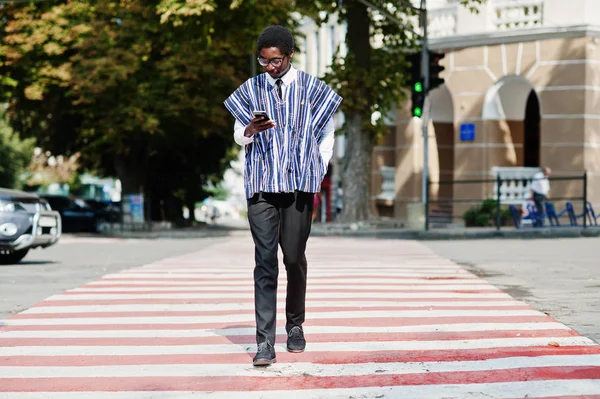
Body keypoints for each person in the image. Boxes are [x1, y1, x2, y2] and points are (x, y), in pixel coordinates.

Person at [223, 25, 342, 367]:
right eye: (264, 61)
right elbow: (237, 135)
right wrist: (249, 130)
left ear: (289, 55)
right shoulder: (251, 89)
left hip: (299, 185)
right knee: (265, 261)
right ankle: (264, 342)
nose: (270, 67)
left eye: (275, 60)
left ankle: (295, 325)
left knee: (293, 257)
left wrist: (319, 167)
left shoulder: (313, 89)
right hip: (262, 185)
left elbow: (327, 130)